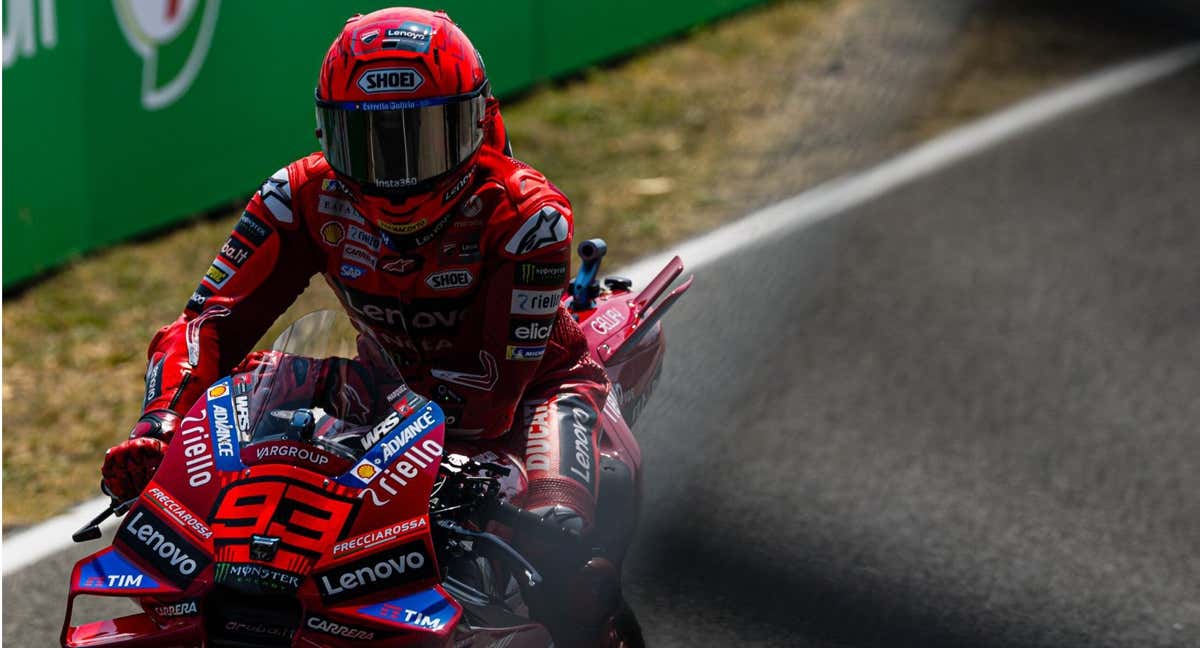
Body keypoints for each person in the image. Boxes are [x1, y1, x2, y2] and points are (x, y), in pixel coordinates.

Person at [100, 7, 615, 642]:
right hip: (387, 389)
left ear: (476, 124)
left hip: (532, 396)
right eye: (367, 143)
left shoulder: (529, 216)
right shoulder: (298, 196)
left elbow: (490, 399)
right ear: (326, 132)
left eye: (419, 139)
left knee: (557, 537)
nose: (393, 175)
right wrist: (163, 426)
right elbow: (207, 322)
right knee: (248, 417)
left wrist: (358, 445)